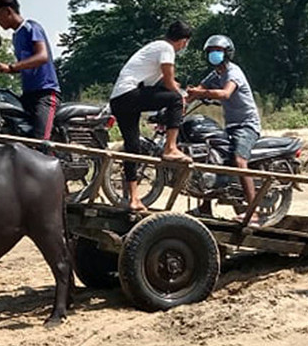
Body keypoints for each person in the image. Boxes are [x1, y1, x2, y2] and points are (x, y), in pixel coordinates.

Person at [110, 21, 194, 211]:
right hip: (130, 95)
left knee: (133, 146)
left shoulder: (154, 48)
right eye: (185, 43)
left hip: (119, 99)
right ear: (183, 41)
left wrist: (181, 89)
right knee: (175, 100)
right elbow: (169, 83)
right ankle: (170, 148)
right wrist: (182, 96)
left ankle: (134, 199)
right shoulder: (166, 48)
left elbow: (160, 84)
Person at [186, 34, 263, 222]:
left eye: (218, 51)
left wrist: (200, 92)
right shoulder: (216, 74)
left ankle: (253, 212)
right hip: (230, 126)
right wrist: (180, 104)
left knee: (239, 160)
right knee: (211, 158)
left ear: (227, 53)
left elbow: (225, 93)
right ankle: (205, 208)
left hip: (247, 126)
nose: (214, 54)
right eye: (211, 51)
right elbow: (196, 91)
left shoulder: (233, 72)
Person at [0, 0, 59, 141]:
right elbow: (24, 66)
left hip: (45, 93)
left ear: (9, 11)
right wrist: (2, 69)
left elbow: (42, 56)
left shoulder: (31, 27)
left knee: (41, 142)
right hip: (28, 94)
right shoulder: (16, 36)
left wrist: (11, 67)